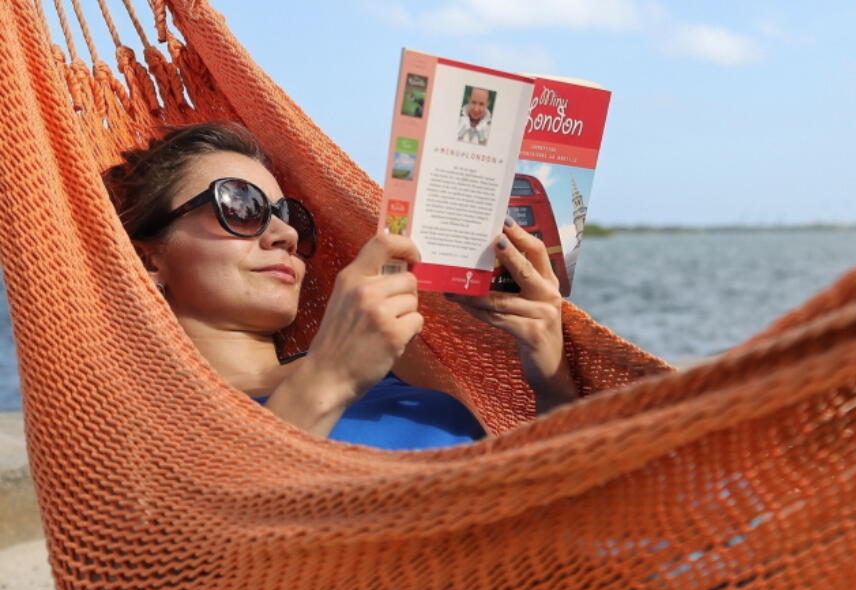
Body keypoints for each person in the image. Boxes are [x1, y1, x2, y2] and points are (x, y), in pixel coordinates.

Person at [103, 121, 577, 451]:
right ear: (149, 257)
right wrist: (331, 379)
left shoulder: (385, 368)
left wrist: (551, 383)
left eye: (288, 216)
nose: (285, 234)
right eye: (241, 206)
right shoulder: (142, 421)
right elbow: (180, 568)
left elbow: (560, 522)